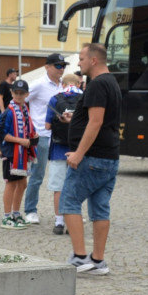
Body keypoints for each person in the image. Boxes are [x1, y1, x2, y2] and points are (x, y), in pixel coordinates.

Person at [62, 43, 122, 276]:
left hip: (92, 157)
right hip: (109, 157)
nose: (79, 63)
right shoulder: (112, 82)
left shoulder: (97, 84)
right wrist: (74, 121)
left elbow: (96, 122)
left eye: (82, 58)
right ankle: (98, 260)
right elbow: (98, 120)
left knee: (68, 200)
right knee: (99, 208)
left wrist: (79, 153)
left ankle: (79, 257)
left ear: (94, 60)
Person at [23, 53, 66, 225]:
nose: (61, 68)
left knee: (63, 176)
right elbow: (19, 100)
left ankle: (65, 212)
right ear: (47, 67)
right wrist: (28, 125)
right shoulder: (38, 84)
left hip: (59, 137)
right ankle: (30, 210)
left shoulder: (63, 86)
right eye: (58, 65)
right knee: (37, 175)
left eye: (63, 65)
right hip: (40, 135)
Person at [44, 73, 83, 235]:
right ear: (78, 84)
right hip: (79, 150)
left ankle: (59, 223)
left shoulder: (55, 99)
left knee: (58, 188)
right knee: (75, 188)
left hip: (58, 150)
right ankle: (71, 223)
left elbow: (47, 126)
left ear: (63, 84)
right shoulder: (84, 98)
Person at [0, 79, 37, 229]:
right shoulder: (9, 112)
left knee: (22, 183)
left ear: (27, 94)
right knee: (11, 183)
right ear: (12, 93)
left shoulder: (24, 110)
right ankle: (6, 216)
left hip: (22, 153)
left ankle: (15, 213)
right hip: (11, 152)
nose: (19, 96)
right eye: (16, 93)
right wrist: (21, 141)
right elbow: (2, 134)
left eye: (22, 93)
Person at [0, 68, 17, 159]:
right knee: (2, 131)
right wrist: (2, 110)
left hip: (12, 111)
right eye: (14, 74)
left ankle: (7, 150)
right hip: (5, 112)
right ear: (9, 74)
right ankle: (1, 152)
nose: (16, 75)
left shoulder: (13, 86)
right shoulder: (4, 84)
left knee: (10, 131)